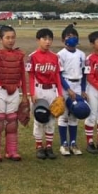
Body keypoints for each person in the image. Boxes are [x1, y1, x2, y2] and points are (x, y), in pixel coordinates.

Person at [0, 25, 27, 161]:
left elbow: (22, 75)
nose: (11, 40)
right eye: (7, 38)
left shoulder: (19, 55)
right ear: (0, 39)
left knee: (12, 122)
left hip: (14, 91)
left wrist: (25, 95)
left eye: (13, 37)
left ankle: (11, 151)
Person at [28, 28, 64, 159]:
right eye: (44, 39)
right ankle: (39, 146)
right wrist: (32, 93)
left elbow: (57, 76)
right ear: (38, 40)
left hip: (52, 90)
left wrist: (60, 94)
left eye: (50, 39)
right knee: (39, 118)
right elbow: (31, 76)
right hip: (39, 90)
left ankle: (48, 146)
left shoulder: (55, 57)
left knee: (51, 119)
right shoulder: (32, 56)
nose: (48, 42)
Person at [57, 24, 86, 156]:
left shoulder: (82, 54)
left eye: (74, 36)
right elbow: (59, 74)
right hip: (66, 85)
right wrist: (68, 89)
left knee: (75, 114)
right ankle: (64, 144)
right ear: (63, 40)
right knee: (64, 115)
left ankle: (73, 143)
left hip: (78, 85)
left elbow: (84, 74)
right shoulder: (60, 55)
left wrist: (83, 90)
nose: (72, 38)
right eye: (69, 36)